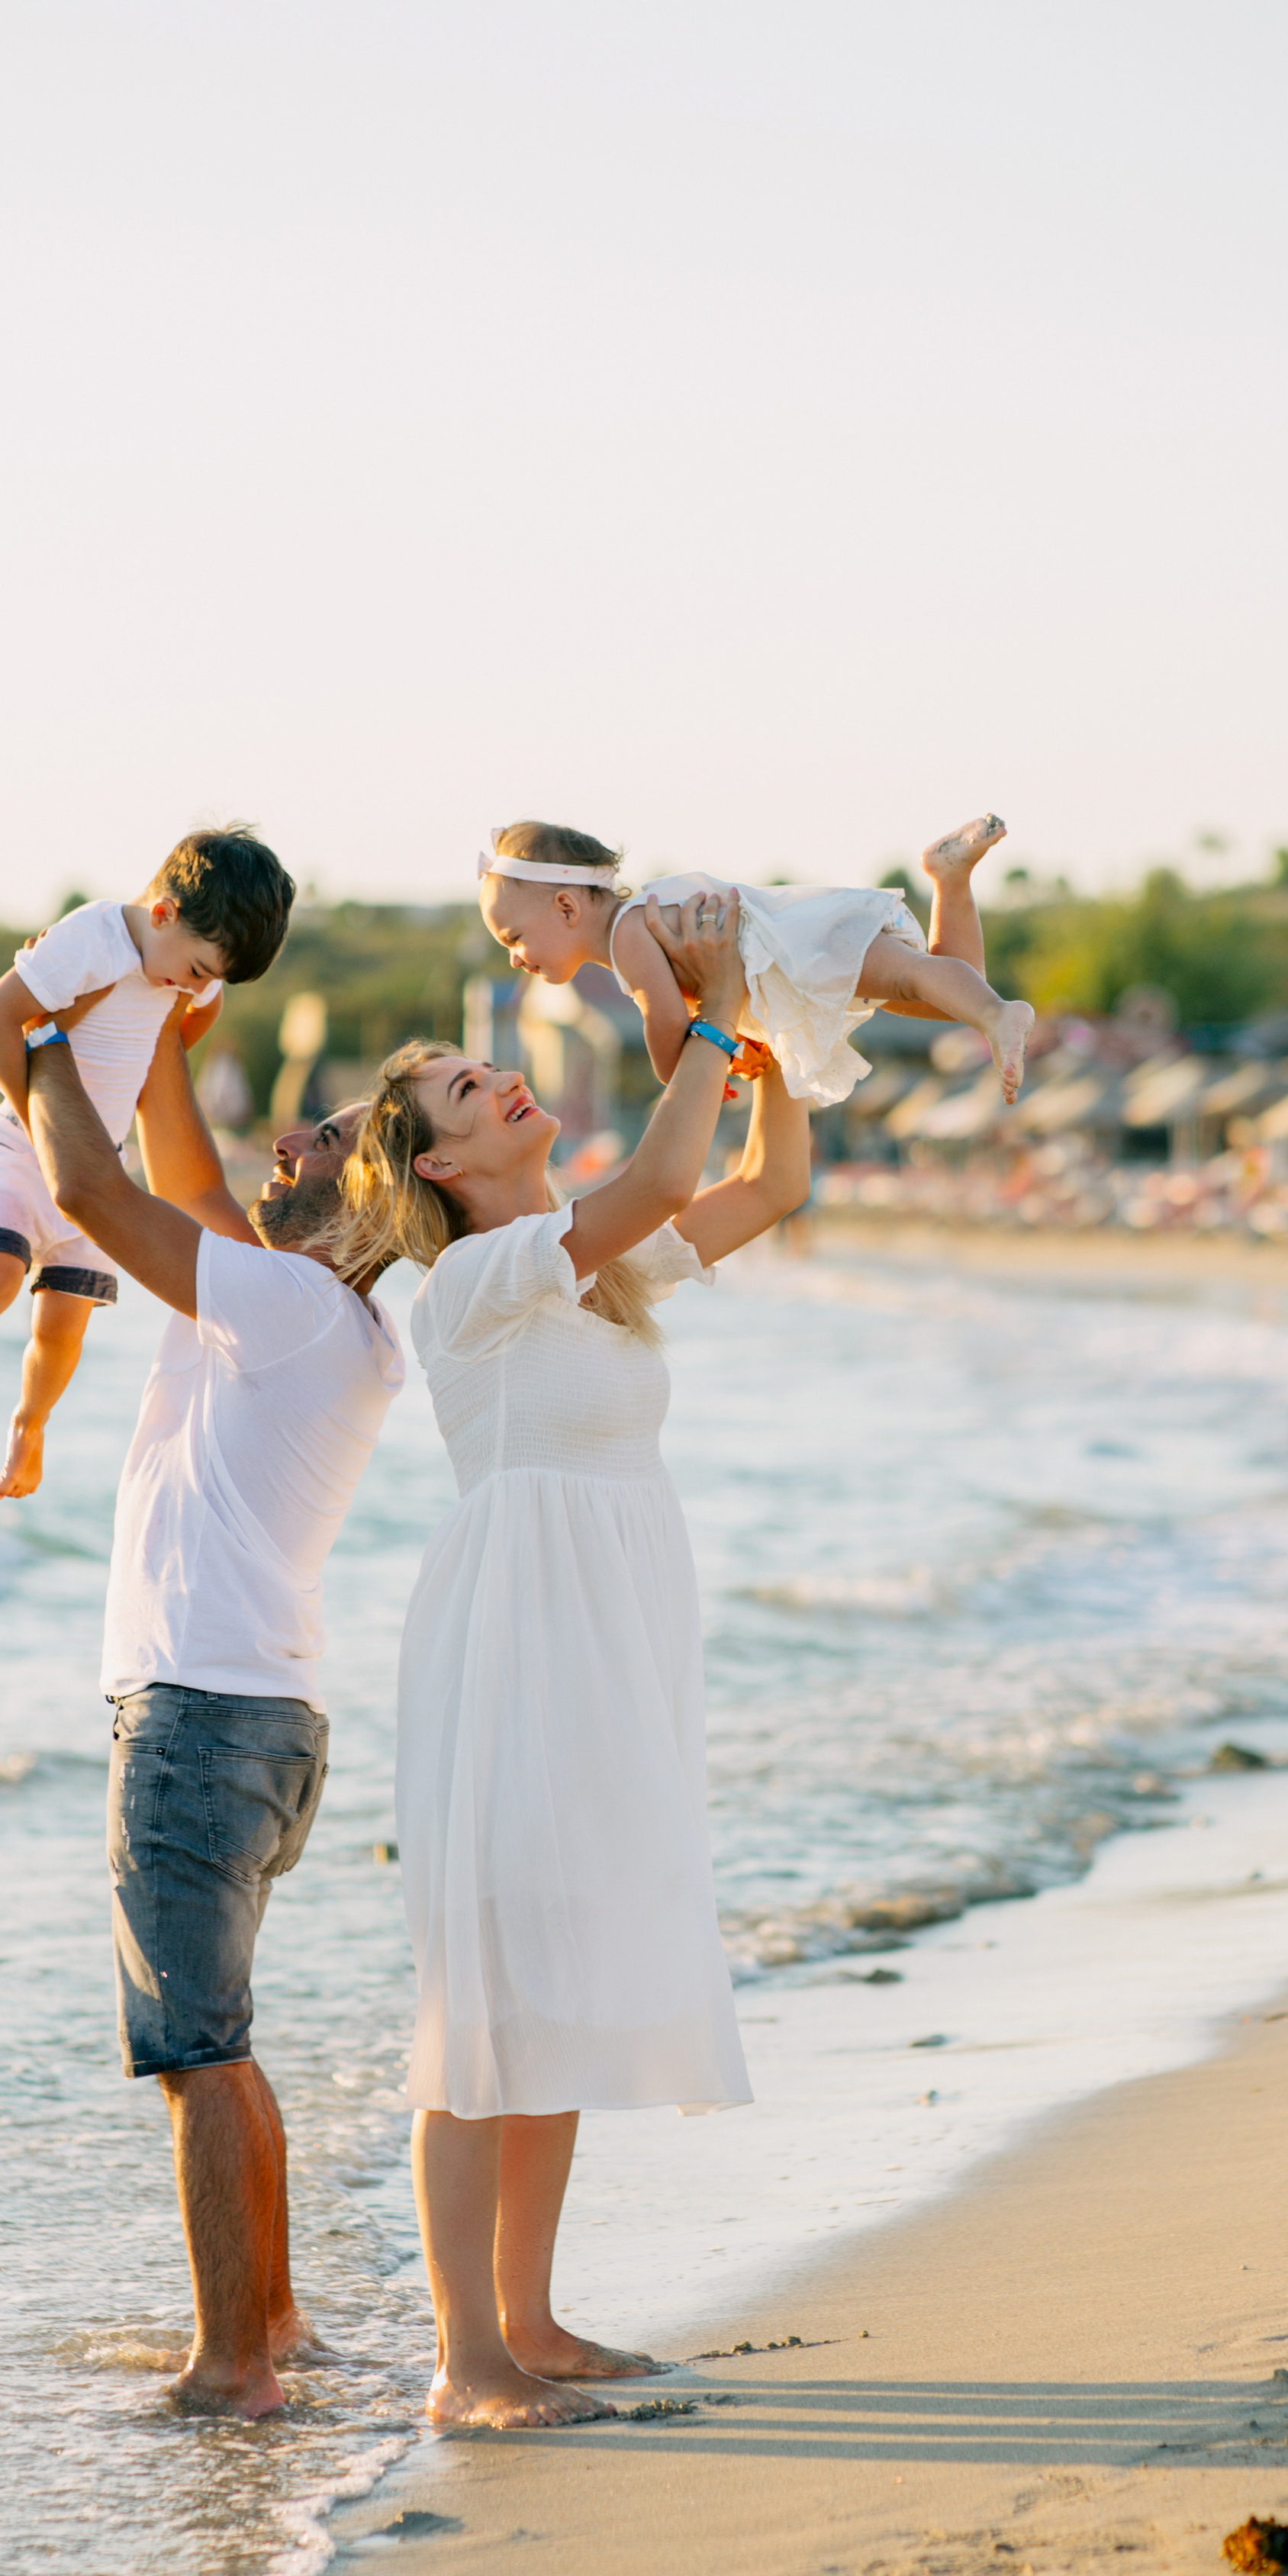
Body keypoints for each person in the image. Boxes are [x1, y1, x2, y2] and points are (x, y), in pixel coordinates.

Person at [336, 891, 812, 2429]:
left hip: (605, 1636)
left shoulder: (594, 1273)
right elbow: (670, 1163)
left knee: (550, 1975)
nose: (502, 1083)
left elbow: (766, 1177)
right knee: (481, 1992)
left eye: (491, 1072)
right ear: (438, 1165)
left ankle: (528, 2322)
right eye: (469, 1094)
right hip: (518, 1642)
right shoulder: (472, 1282)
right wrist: (710, 1003)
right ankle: (459, 2362)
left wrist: (778, 1026)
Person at [23, 1007, 402, 2418]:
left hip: (198, 1714)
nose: (292, 1138)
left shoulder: (289, 1305)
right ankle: (276, 2325)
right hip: (258, 1714)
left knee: (199, 2051)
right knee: (221, 2043)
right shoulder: (303, 1304)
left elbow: (92, 1192)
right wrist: (165, 1034)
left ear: (370, 1201)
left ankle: (232, 2366)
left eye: (332, 1139)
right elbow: (181, 1174)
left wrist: (53, 1033)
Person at [0, 825, 293, 1498]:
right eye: (201, 971)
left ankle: (30, 1426)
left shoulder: (183, 969)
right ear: (163, 914)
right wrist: (42, 1120)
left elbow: (186, 1026)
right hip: (20, 1142)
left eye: (214, 979)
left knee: (63, 1326)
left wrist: (176, 1017)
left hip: (102, 1169)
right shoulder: (92, 939)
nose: (201, 986)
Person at [478, 811, 1032, 1107]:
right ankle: (950, 877)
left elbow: (665, 1020)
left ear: (567, 906)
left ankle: (1001, 1015)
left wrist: (683, 1077)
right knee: (941, 990)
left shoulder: (628, 934)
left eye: (514, 938)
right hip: (798, 959)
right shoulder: (632, 931)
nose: (513, 958)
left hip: (801, 948)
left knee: (918, 976)